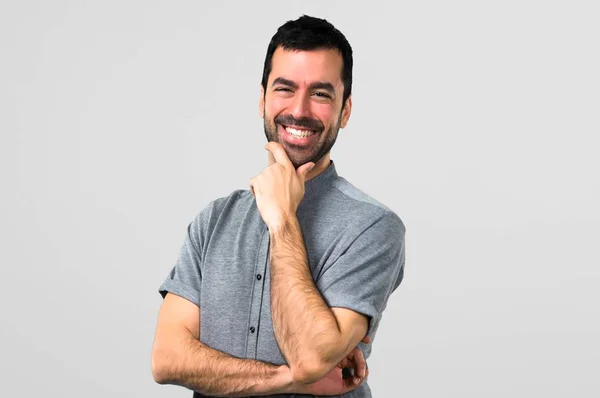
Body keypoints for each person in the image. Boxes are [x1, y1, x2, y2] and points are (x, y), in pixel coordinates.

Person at [151, 15, 406, 397]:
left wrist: (282, 218)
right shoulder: (212, 222)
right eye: (285, 89)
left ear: (345, 110)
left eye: (321, 94)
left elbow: (309, 357)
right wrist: (289, 379)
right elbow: (167, 360)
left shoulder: (373, 227)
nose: (299, 110)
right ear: (262, 99)